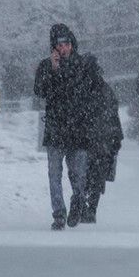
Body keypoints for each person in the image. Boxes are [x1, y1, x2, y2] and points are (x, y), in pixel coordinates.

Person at [33, 23, 98, 230]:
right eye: (60, 44)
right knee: (54, 173)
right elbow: (40, 91)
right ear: (54, 46)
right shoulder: (46, 66)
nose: (64, 48)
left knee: (78, 174)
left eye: (67, 44)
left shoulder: (82, 65)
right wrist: (53, 69)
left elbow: (88, 92)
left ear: (72, 44)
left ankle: (78, 200)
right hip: (55, 128)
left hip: (78, 129)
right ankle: (58, 213)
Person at [82, 64, 123, 223]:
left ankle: (84, 206)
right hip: (102, 142)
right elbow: (113, 116)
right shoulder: (106, 91)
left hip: (86, 141)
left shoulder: (80, 89)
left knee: (84, 176)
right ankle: (91, 208)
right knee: (96, 178)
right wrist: (116, 139)